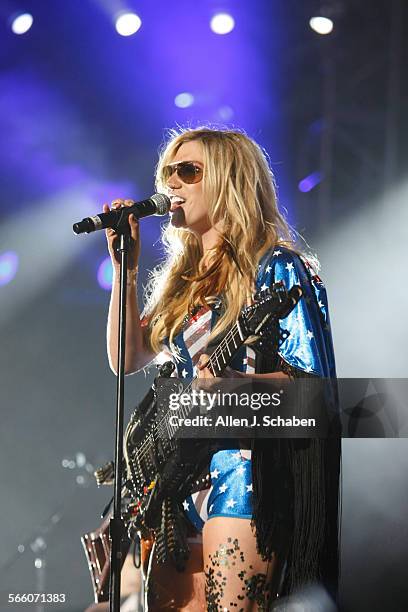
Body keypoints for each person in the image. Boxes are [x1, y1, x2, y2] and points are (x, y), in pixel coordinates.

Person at [104, 127, 341, 611]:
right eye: (168, 171)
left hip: (243, 468)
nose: (172, 183)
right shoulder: (182, 282)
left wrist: (240, 384)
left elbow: (316, 391)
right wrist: (125, 272)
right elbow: (125, 358)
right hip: (179, 487)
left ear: (230, 181)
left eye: (188, 171)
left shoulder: (277, 269)